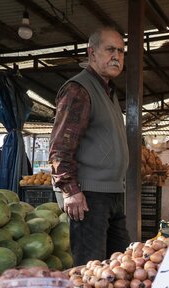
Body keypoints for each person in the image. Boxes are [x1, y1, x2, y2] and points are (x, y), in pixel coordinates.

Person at [49, 27, 130, 266]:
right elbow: (60, 146)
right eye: (110, 49)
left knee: (119, 267)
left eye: (121, 51)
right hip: (88, 196)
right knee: (90, 269)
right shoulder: (79, 90)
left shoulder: (110, 92)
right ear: (92, 53)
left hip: (113, 194)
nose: (116, 56)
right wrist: (70, 190)